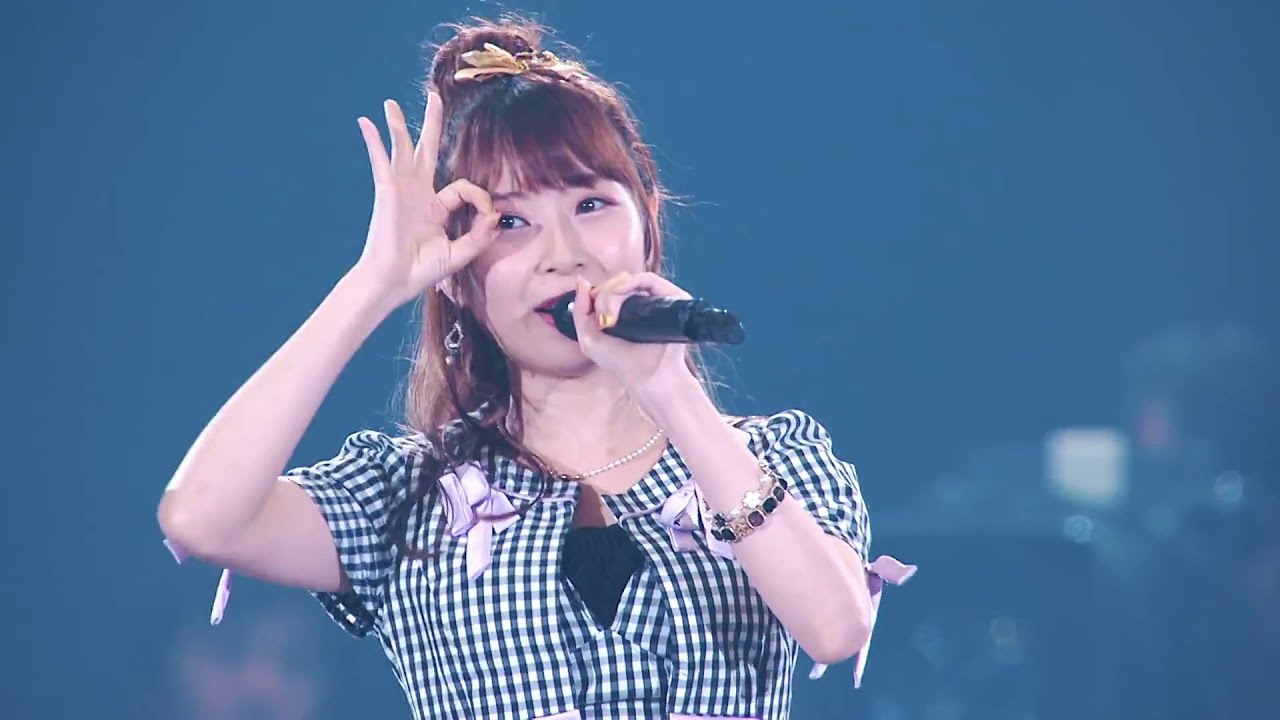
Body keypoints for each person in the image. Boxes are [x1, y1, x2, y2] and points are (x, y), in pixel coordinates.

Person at [158, 16, 915, 720]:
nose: (564, 255)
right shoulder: (405, 494)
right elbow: (200, 518)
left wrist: (671, 394)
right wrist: (375, 282)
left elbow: (835, 627)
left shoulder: (774, 457)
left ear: (648, 219)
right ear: (457, 272)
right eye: (513, 221)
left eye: (590, 205)